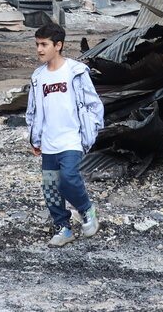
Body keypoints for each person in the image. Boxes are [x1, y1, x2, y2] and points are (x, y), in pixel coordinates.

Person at [26, 22, 104, 247]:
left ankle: (86, 209)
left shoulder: (75, 72)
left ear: (58, 45)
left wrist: (89, 133)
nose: (39, 49)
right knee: (51, 189)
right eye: (37, 45)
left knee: (69, 179)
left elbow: (93, 105)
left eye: (44, 44)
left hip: (71, 139)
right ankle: (63, 228)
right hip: (49, 142)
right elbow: (32, 110)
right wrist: (35, 138)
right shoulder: (38, 77)